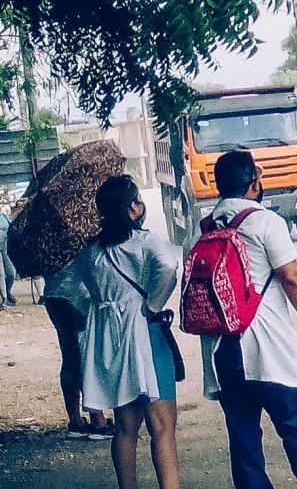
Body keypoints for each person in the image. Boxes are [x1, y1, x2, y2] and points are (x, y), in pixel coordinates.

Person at [200, 150, 297, 489]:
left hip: (223, 352)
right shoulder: (264, 222)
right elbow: (291, 277)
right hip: (269, 349)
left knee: (244, 441)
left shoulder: (202, 230)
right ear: (254, 182)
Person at [69, 175, 181, 489]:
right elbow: (170, 267)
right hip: (145, 334)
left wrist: (101, 305)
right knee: (162, 427)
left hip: (109, 340)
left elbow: (74, 290)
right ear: (131, 207)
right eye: (137, 200)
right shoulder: (145, 241)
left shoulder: (90, 252)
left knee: (124, 428)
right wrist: (153, 304)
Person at [41, 245, 114, 440]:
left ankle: (75, 420)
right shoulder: (80, 240)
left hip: (52, 297)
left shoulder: (46, 241)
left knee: (70, 356)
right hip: (77, 300)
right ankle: (97, 419)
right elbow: (91, 273)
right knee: (85, 356)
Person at [1, 208, 18, 307]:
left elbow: (12, 228)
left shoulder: (4, 216)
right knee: (1, 275)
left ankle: (7, 291)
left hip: (6, 248)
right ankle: (3, 297)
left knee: (11, 273)